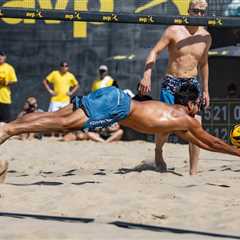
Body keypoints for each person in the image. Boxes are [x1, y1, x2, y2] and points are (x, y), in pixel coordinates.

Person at [0, 85, 239, 176]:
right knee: (64, 125)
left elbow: (200, 142)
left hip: (113, 96)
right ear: (190, 104)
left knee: (54, 116)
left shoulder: (172, 114)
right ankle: (9, 130)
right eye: (198, 104)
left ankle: (7, 126)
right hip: (116, 106)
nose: (199, 109)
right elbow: (211, 143)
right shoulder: (187, 119)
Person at [138, 0, 212, 174]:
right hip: (172, 82)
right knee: (165, 128)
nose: (199, 15)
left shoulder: (206, 36)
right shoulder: (174, 30)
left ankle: (193, 172)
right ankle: (158, 152)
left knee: (196, 127)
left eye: (202, 12)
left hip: (191, 84)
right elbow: (154, 52)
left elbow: (203, 64)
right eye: (196, 11)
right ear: (188, 11)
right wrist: (147, 75)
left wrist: (206, 90)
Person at [0, 51, 18, 122]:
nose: (0, 57)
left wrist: (5, 83)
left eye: (1, 55)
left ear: (5, 57)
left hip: (4, 98)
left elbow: (14, 81)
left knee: (5, 121)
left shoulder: (9, 68)